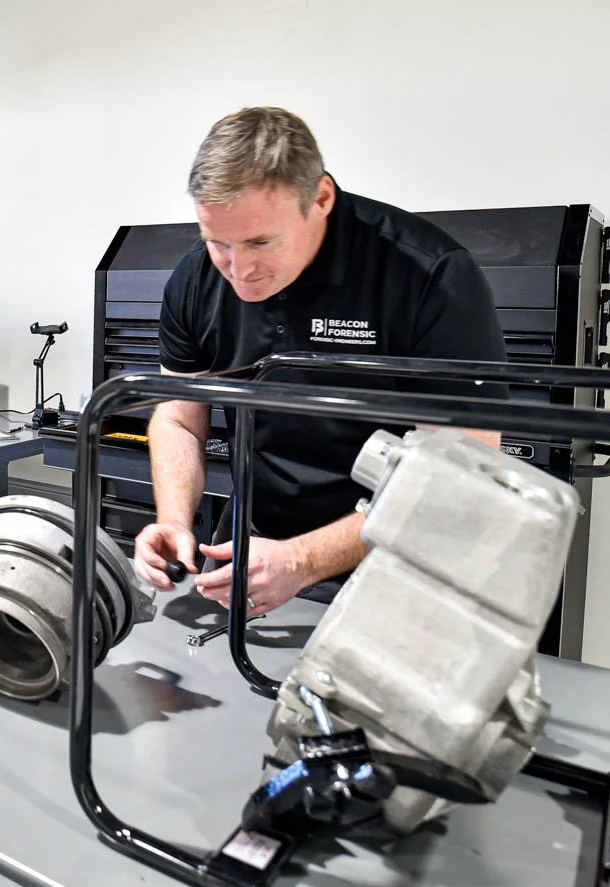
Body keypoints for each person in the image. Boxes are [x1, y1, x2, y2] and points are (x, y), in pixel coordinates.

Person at [132, 107, 509, 615]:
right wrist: (174, 520)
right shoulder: (196, 278)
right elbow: (179, 417)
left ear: (322, 198)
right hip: (257, 541)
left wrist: (304, 559)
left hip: (397, 556)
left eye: (261, 242)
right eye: (217, 242)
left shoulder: (430, 277)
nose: (238, 269)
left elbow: (462, 474)